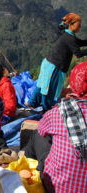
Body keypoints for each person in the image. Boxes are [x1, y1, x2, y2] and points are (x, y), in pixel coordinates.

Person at [38, 61, 87, 193]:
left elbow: (41, 130)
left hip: (60, 187)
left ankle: (27, 157)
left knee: (40, 137)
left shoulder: (58, 112)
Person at [28, 13, 87, 111]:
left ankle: (31, 103)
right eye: (78, 24)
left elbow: (78, 42)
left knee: (42, 85)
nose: (80, 26)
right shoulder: (69, 37)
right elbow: (78, 53)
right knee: (49, 89)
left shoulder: (67, 34)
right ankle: (47, 110)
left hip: (48, 63)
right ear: (71, 24)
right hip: (54, 66)